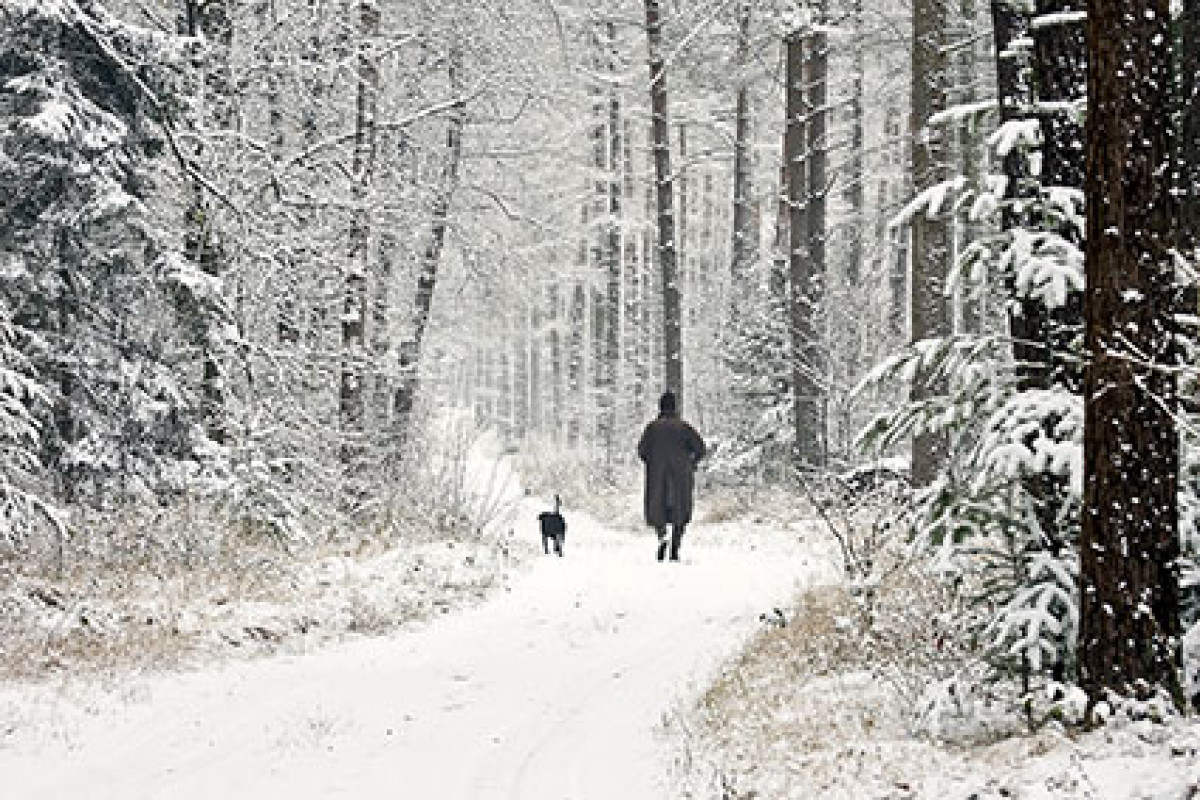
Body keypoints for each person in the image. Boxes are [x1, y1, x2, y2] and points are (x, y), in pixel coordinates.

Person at [637, 390, 706, 562]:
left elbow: (642, 451)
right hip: (681, 476)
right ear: (675, 407)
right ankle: (675, 547)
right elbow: (700, 448)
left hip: (657, 475)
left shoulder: (652, 428)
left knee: (658, 509)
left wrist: (652, 463)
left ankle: (662, 537)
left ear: (660, 407)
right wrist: (691, 463)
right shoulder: (684, 427)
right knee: (679, 511)